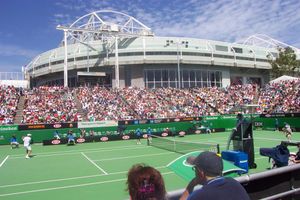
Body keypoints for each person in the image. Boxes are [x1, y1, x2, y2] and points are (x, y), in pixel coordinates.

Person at [180, 151, 250, 200]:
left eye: (195, 168)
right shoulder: (234, 184)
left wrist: (191, 185)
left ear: (201, 172)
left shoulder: (199, 196)